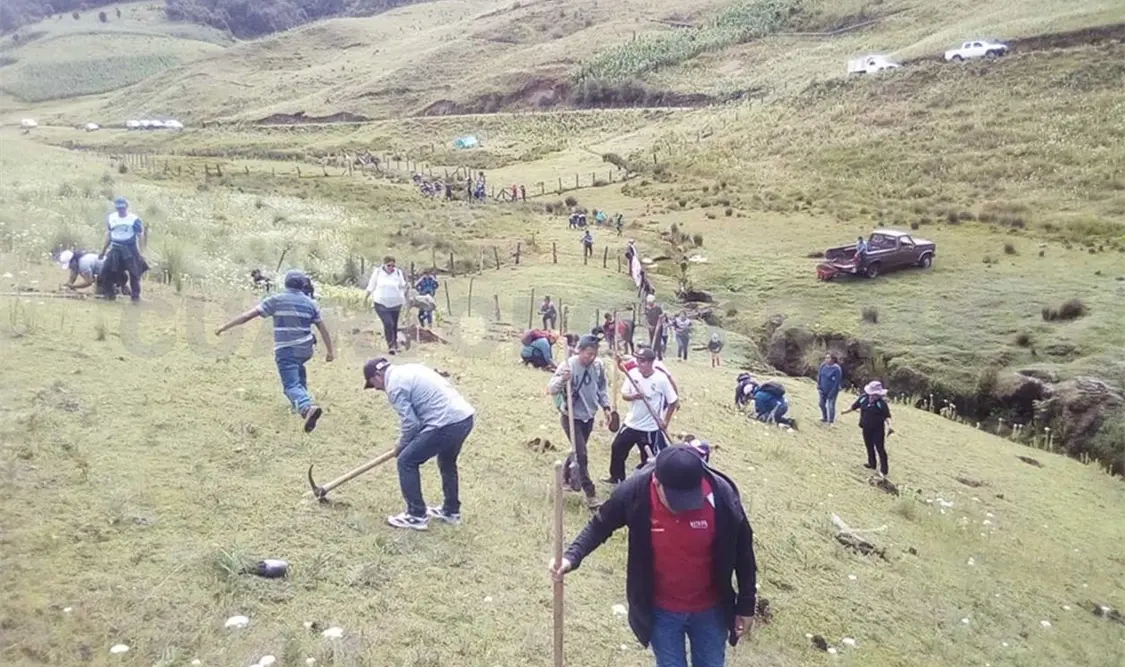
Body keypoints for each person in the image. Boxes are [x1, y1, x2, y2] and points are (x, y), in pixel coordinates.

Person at [551, 446, 758, 667]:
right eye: (677, 500)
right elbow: (600, 525)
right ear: (657, 484)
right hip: (662, 611)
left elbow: (744, 552)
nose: (684, 508)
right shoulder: (635, 492)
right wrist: (570, 557)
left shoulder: (722, 495)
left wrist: (746, 605)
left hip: (710, 610)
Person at [363, 357, 476, 530]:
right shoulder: (410, 368)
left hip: (446, 423)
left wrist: (401, 446)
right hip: (464, 418)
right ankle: (451, 511)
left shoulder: (394, 385)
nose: (378, 389)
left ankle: (416, 515)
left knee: (406, 461)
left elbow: (411, 424)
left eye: (374, 385)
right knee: (447, 462)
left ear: (377, 375)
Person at [215, 270, 334, 432]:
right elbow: (323, 328)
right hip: (306, 349)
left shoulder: (276, 300)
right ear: (303, 285)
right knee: (298, 370)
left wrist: (224, 327)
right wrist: (330, 351)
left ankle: (306, 407)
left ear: (285, 284)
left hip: (287, 349)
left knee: (290, 385)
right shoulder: (310, 303)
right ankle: (297, 404)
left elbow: (247, 316)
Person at [547, 335, 612, 510]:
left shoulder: (598, 366)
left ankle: (565, 477)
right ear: (579, 351)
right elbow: (551, 388)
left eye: (594, 353)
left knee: (577, 449)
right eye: (588, 353)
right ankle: (590, 494)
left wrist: (606, 407)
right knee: (582, 455)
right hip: (571, 417)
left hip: (589, 416)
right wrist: (563, 379)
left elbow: (601, 388)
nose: (590, 357)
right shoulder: (568, 365)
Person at [606, 348, 679, 484]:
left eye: (643, 361)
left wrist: (665, 421)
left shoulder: (661, 379)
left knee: (648, 460)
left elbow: (673, 401)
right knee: (617, 447)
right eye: (638, 360)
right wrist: (634, 396)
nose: (639, 363)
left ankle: (645, 484)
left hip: (650, 428)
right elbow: (624, 395)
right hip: (631, 422)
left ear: (651, 362)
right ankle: (617, 478)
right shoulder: (632, 374)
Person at [98, 196, 148, 302]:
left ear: (126, 207)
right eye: (118, 208)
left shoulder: (134, 219)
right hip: (115, 247)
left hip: (130, 248)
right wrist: (103, 251)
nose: (121, 210)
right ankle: (109, 294)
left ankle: (135, 296)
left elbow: (140, 235)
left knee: (134, 273)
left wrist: (142, 251)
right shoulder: (111, 218)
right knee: (106, 271)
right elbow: (109, 235)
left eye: (122, 208)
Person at [841, 381, 894, 476]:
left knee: (880, 448)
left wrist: (890, 426)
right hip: (865, 427)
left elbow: (887, 416)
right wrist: (845, 411)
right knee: (868, 445)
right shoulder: (863, 398)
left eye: (876, 395)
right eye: (872, 394)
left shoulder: (881, 404)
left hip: (878, 430)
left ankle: (884, 469)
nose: (873, 396)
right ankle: (872, 463)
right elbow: (854, 407)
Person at [365, 256, 408, 354]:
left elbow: (402, 285)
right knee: (388, 323)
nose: (391, 268)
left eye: (393, 265)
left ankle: (395, 345)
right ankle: (391, 346)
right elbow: (371, 286)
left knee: (394, 325)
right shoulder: (378, 272)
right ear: (384, 265)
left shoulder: (398, 273)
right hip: (380, 303)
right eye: (389, 265)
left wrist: (405, 293)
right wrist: (365, 298)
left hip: (396, 303)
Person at [817, 353, 843, 424]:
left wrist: (832, 392)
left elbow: (837, 382)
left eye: (828, 358)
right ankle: (824, 417)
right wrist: (818, 385)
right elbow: (819, 375)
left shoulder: (837, 369)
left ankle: (831, 421)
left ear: (833, 360)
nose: (826, 359)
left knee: (831, 405)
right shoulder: (823, 365)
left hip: (832, 390)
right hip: (822, 389)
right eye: (826, 358)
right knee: (821, 404)